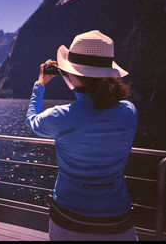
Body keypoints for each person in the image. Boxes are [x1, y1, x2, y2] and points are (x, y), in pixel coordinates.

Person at [25, 30, 138, 241]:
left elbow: (32, 121)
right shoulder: (129, 112)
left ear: (73, 73)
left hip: (70, 218)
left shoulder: (61, 116)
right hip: (117, 221)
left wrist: (40, 84)